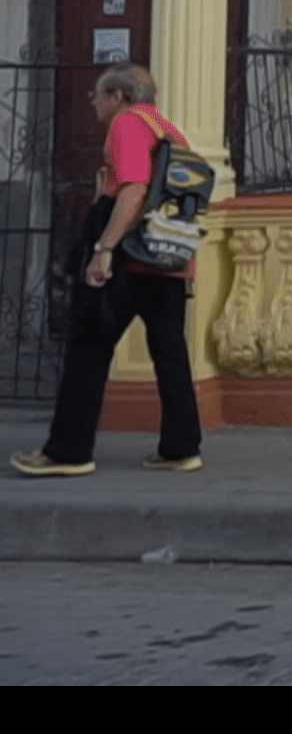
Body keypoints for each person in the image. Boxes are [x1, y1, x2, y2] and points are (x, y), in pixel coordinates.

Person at [11, 64, 203, 478]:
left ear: (119, 96)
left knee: (87, 350)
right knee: (170, 353)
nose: (92, 101)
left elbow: (133, 189)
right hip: (166, 260)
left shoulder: (127, 125)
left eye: (98, 94)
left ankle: (69, 451)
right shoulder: (168, 130)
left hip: (129, 257)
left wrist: (104, 249)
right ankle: (181, 447)